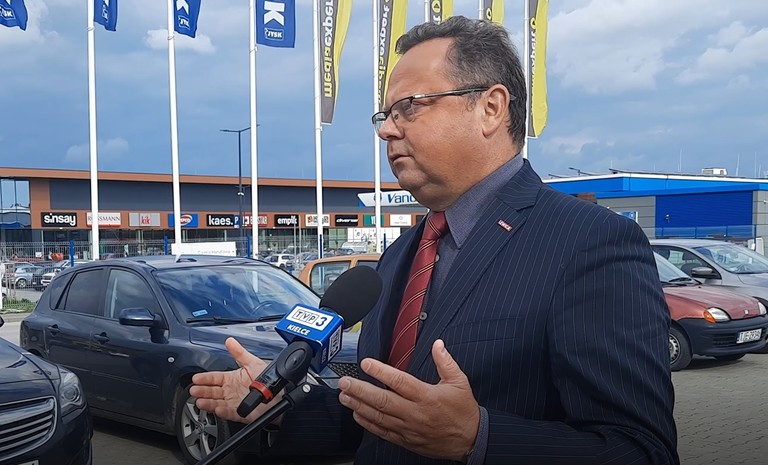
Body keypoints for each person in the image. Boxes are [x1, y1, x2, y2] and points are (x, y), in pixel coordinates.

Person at [191, 16, 679, 464]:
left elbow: (640, 449)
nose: (386, 130)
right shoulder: (401, 255)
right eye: (384, 114)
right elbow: (382, 422)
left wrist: (478, 438)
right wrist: (280, 407)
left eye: (409, 107)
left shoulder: (590, 243)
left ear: (490, 108)